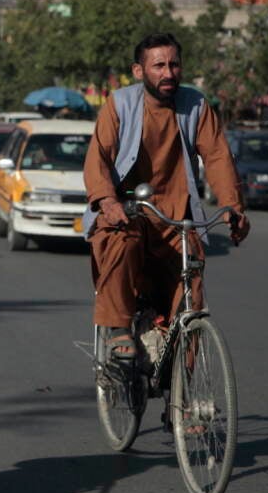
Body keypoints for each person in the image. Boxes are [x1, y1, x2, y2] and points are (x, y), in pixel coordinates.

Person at [82, 32, 249, 361]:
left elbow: (217, 157)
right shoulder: (120, 104)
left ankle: (183, 397)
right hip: (127, 211)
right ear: (139, 71)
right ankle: (118, 327)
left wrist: (232, 206)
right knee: (121, 241)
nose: (168, 72)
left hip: (175, 217)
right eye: (159, 65)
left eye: (174, 65)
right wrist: (107, 200)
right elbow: (97, 159)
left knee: (191, 293)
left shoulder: (196, 105)